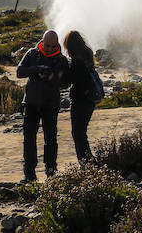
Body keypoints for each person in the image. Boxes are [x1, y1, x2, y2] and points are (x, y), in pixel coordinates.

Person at [17, 30, 69, 181]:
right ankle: (29, 173)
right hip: (31, 104)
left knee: (51, 139)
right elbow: (19, 72)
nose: (49, 49)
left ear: (57, 44)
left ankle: (51, 171)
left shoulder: (61, 60)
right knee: (29, 138)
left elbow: (66, 82)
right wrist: (37, 69)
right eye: (47, 45)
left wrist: (54, 79)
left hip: (51, 105)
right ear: (42, 41)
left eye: (53, 46)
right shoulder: (32, 54)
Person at [63, 30, 97, 162]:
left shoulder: (76, 61)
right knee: (82, 132)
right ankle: (88, 160)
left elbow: (71, 80)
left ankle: (85, 162)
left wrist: (61, 76)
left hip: (80, 100)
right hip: (90, 99)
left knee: (78, 134)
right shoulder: (87, 55)